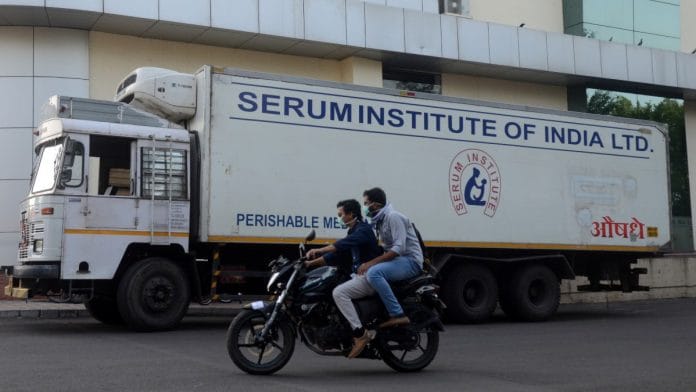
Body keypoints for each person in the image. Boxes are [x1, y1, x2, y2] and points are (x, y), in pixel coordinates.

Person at [305, 199, 382, 358]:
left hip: (369, 276)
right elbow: (337, 255)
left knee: (339, 293)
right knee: (330, 289)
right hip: (358, 275)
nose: (339, 217)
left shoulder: (363, 230)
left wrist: (318, 250)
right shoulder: (353, 231)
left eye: (341, 214)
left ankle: (360, 333)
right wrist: (310, 263)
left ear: (351, 214)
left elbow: (341, 245)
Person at [358, 187, 423, 329]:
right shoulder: (380, 221)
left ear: (375, 205)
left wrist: (370, 264)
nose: (364, 207)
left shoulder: (393, 217)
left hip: (411, 261)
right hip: (398, 261)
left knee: (374, 273)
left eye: (366, 203)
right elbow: (386, 249)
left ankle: (397, 314)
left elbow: (399, 249)